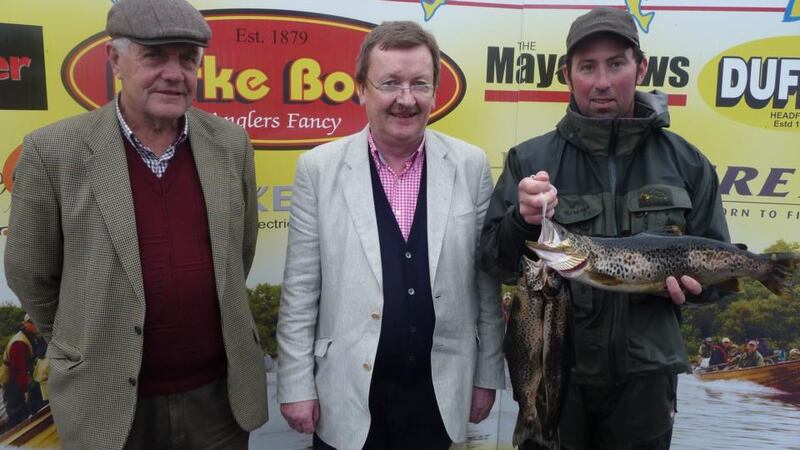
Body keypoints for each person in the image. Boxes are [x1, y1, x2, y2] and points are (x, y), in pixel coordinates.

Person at [4, 0, 267, 448]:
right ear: (115, 60)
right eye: (154, 55)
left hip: (218, 404)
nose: (173, 72)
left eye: (187, 58)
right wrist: (87, 340)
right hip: (106, 406)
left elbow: (237, 254)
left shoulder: (230, 144)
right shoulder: (54, 151)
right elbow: (32, 275)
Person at [478, 7, 730, 449]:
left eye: (616, 63)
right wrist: (521, 220)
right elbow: (494, 263)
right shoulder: (528, 160)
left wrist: (697, 288)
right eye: (587, 66)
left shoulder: (688, 163)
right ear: (567, 74)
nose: (601, 81)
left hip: (647, 382)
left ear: (641, 67)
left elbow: (720, 274)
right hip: (554, 372)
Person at [277, 21, 505, 450]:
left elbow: (485, 283)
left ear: (436, 91)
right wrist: (294, 385)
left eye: (420, 83)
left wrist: (487, 376)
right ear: (361, 89)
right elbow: (301, 290)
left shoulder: (471, 165)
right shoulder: (319, 168)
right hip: (347, 393)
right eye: (390, 83)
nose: (406, 98)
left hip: (440, 391)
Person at [1, 315, 39, 428]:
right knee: (17, 414)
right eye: (31, 322)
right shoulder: (19, 343)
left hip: (17, 381)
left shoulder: (29, 336)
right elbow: (18, 370)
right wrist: (24, 390)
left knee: (21, 411)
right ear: (25, 323)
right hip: (13, 383)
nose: (35, 324)